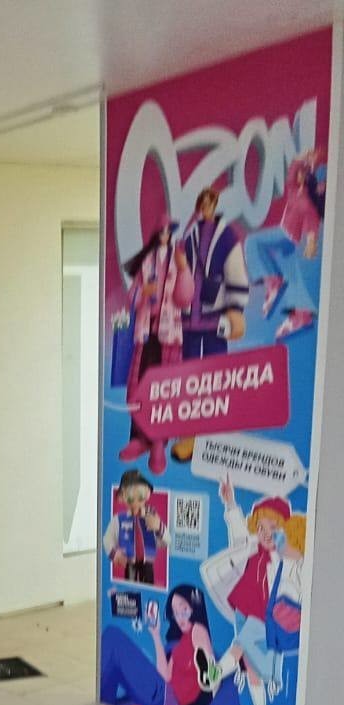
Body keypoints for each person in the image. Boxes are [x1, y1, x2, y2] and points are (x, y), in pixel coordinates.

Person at [201, 480, 306, 705]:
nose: (266, 533)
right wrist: (230, 503)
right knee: (252, 668)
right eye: (261, 526)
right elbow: (238, 530)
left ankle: (216, 672)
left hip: (265, 619)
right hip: (243, 611)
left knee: (240, 646)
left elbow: (298, 567)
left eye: (274, 528)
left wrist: (288, 549)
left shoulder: (285, 558)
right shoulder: (250, 546)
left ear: (285, 529)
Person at [100, 585, 239, 705]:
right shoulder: (179, 644)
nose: (180, 617)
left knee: (112, 637)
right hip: (164, 699)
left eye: (184, 610)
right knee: (112, 643)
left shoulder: (198, 630)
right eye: (176, 613)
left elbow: (213, 680)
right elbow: (165, 675)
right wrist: (155, 634)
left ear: (194, 608)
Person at [174, 187, 249, 462]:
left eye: (209, 202)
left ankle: (218, 435)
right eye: (201, 203)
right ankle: (189, 434)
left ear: (215, 204)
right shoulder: (189, 235)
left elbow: (236, 272)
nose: (205, 207)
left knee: (217, 375)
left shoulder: (227, 236)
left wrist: (236, 309)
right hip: (189, 317)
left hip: (215, 314)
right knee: (189, 377)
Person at [118, 211, 195, 474]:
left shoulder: (179, 258)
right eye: (161, 231)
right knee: (140, 386)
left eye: (168, 231)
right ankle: (140, 438)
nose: (165, 235)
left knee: (165, 389)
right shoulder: (147, 261)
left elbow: (185, 298)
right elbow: (131, 296)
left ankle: (159, 440)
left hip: (169, 334)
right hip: (145, 333)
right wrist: (143, 293)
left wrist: (183, 270)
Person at [245, 148, 324, 339]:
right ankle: (301, 316)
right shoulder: (295, 191)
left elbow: (312, 226)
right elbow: (292, 171)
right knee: (293, 276)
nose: (298, 176)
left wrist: (311, 243)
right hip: (287, 241)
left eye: (302, 175)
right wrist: (303, 160)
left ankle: (274, 284)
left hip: (286, 237)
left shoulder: (307, 204)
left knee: (252, 242)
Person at [103, 469, 169, 585]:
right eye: (130, 498)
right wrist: (114, 553)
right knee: (130, 586)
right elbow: (107, 539)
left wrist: (159, 528)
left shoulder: (152, 517)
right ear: (122, 497)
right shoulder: (119, 519)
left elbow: (167, 541)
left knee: (148, 585)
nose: (135, 503)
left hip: (148, 561)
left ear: (148, 494)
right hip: (129, 561)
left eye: (141, 497)